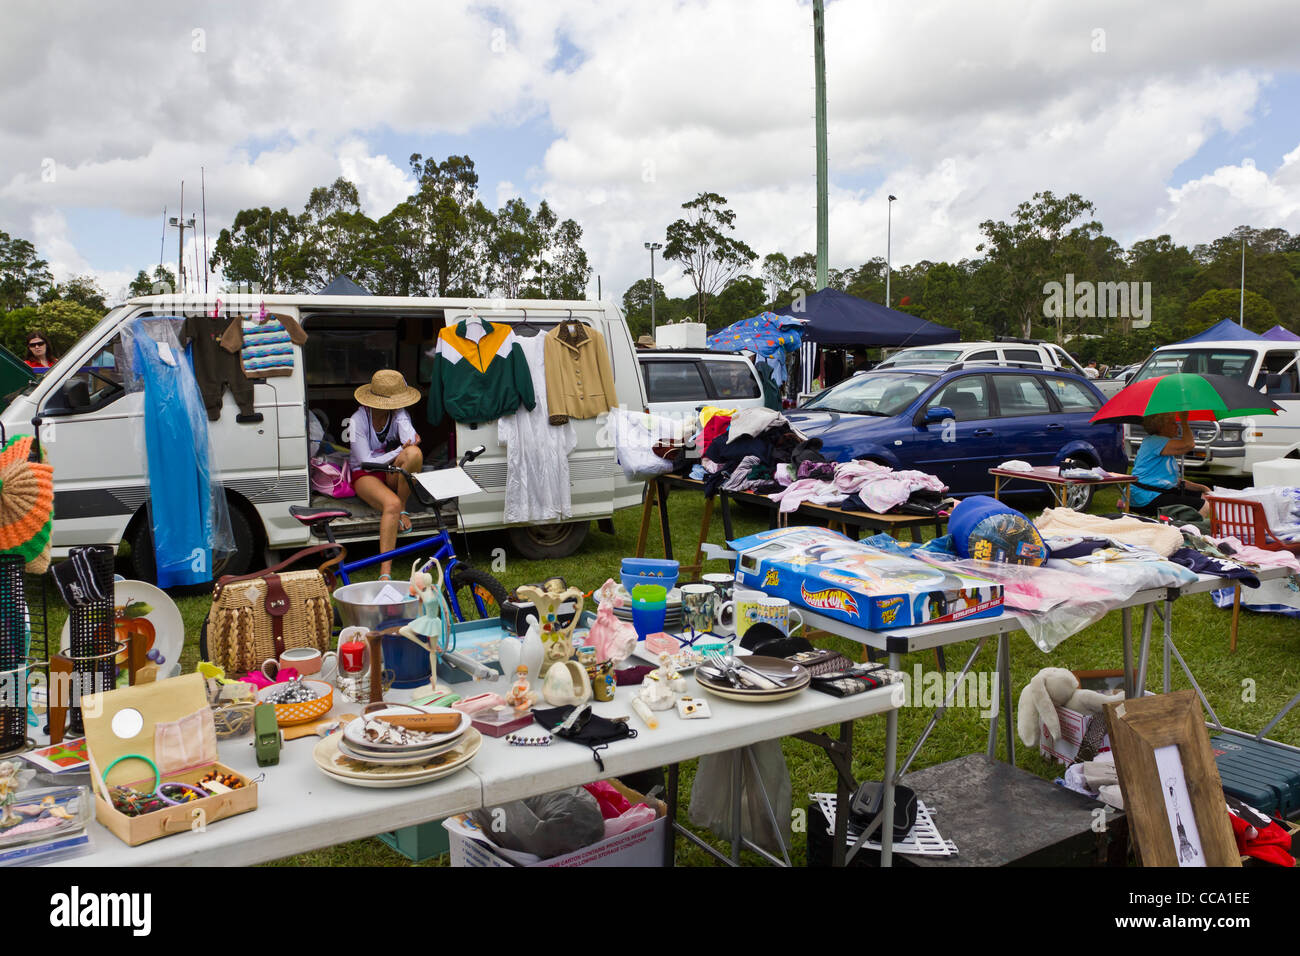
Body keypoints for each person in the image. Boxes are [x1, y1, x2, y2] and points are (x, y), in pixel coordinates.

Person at [349, 370, 424, 580]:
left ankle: (403, 507)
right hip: (364, 473)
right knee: (389, 504)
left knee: (415, 454)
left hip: (389, 469)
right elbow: (367, 461)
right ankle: (385, 574)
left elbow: (410, 439)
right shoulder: (357, 420)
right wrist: (398, 451)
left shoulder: (398, 413)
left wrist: (404, 444)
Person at [1128, 411, 1210, 516]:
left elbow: (1175, 481)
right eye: (1173, 423)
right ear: (1160, 427)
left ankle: (1183, 525)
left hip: (1152, 493)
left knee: (1203, 497)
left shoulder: (1160, 443)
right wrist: (1184, 421)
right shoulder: (1156, 441)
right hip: (1145, 497)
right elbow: (1189, 444)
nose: (1177, 426)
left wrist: (1202, 488)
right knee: (1204, 506)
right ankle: (1188, 529)